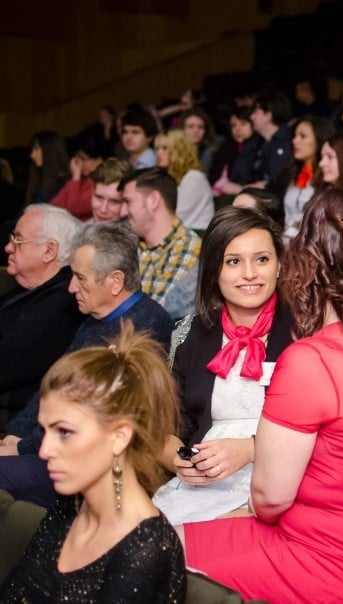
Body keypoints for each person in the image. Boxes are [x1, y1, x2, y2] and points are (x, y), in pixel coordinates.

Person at [182, 189, 343, 602]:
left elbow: (269, 498)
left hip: (321, 561)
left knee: (151, 551)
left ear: (309, 260)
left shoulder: (311, 360)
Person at [0, 323, 186, 602]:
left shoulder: (145, 551)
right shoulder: (71, 507)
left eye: (65, 432)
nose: (45, 450)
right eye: (44, 431)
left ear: (119, 437)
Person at [0, 222, 174, 508]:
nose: (71, 288)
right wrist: (15, 434)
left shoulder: (145, 330)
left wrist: (21, 447)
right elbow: (53, 387)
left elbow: (95, 417)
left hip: (89, 464)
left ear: (115, 282)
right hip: (51, 445)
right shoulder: (94, 320)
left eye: (80, 278)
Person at [153, 207, 294, 525]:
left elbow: (327, 429)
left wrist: (250, 449)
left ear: (279, 265)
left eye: (261, 259)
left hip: (279, 485)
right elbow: (165, 429)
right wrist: (180, 460)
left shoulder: (306, 332)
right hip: (204, 485)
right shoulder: (192, 334)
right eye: (234, 261)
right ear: (214, 270)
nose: (250, 274)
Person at [0, 206, 83, 430]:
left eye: (18, 240)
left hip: (16, 428)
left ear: (49, 251)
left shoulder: (63, 304)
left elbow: (6, 364)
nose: (8, 247)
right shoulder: (24, 289)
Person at [119, 167, 201, 319]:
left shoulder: (187, 246)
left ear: (153, 201)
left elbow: (158, 314)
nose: (122, 212)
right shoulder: (131, 241)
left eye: (128, 202)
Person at [283, 116, 336, 240]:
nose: (295, 141)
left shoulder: (329, 178)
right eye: (295, 136)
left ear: (319, 139)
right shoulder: (293, 173)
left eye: (303, 136)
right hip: (286, 240)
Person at [154, 129, 215, 230]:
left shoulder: (194, 178)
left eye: (165, 148)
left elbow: (176, 216)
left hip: (197, 237)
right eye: (157, 148)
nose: (159, 153)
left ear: (179, 150)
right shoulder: (167, 178)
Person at [210, 105, 263, 192]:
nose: (237, 129)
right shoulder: (226, 148)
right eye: (233, 125)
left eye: (243, 124)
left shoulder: (260, 147)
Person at [250, 90, 294, 197]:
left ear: (268, 114)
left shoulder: (286, 142)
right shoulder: (261, 142)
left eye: (256, 112)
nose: (252, 117)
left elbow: (275, 183)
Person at [49, 136, 100, 221]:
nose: (79, 163)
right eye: (77, 157)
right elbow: (52, 206)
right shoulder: (77, 181)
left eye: (83, 158)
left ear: (99, 160)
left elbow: (74, 209)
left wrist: (76, 176)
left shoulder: (100, 185)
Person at [25, 130, 70, 206]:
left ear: (50, 151)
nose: (32, 155)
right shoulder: (39, 177)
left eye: (36, 149)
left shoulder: (65, 184)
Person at [89, 158, 132, 223]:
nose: (103, 210)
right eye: (99, 197)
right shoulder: (80, 231)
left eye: (114, 201)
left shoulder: (138, 232)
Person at [180, 107, 219, 176]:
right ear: (182, 129)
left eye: (200, 127)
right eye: (190, 126)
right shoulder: (175, 151)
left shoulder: (210, 152)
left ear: (206, 131)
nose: (196, 131)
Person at [120, 105, 159, 170]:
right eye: (125, 132)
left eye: (135, 132)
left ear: (149, 137)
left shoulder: (155, 163)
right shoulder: (124, 163)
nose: (129, 137)